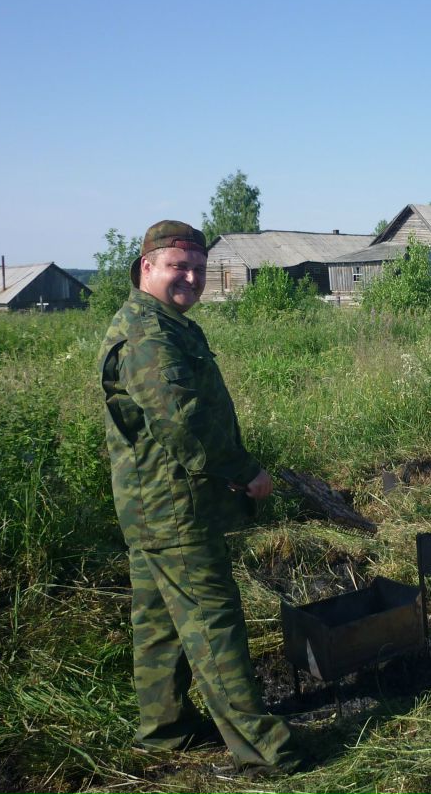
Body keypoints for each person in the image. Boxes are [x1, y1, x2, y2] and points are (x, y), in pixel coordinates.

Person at [98, 220, 295, 772]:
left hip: (152, 506)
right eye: (177, 266)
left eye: (199, 269)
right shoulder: (148, 335)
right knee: (213, 621)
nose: (190, 277)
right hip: (174, 510)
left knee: (159, 623)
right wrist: (244, 471)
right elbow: (181, 422)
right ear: (146, 268)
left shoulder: (163, 322)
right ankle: (267, 751)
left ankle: (165, 731)